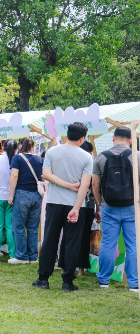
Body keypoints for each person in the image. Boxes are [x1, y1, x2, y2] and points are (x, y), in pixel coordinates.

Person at [33, 122, 92, 292]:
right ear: (82, 138)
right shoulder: (86, 157)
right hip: (75, 204)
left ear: (67, 134)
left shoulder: (52, 151)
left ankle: (43, 279)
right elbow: (84, 185)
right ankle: (68, 281)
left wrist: (65, 185)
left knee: (50, 239)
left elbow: (46, 175)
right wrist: (76, 207)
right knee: (72, 242)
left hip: (54, 202)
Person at [92, 127, 138, 293]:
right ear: (131, 140)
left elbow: (95, 184)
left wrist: (99, 203)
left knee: (108, 243)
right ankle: (134, 283)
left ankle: (104, 280)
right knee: (133, 244)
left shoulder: (101, 157)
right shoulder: (136, 155)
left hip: (108, 207)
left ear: (113, 138)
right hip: (132, 207)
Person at [8, 137, 43, 264]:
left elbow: (14, 175)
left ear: (20, 146)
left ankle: (21, 256)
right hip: (37, 196)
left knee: (19, 226)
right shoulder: (40, 159)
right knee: (33, 227)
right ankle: (33, 256)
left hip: (22, 194)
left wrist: (10, 195)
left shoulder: (17, 158)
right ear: (32, 147)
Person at [68, 141, 96, 276]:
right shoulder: (90, 164)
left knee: (70, 237)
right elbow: (94, 186)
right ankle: (81, 269)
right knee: (85, 237)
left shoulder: (72, 163)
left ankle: (67, 266)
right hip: (88, 204)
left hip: (69, 203)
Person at [0, 139, 17, 262]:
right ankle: (13, 254)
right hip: (13, 198)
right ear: (16, 149)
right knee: (11, 227)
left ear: (2, 146)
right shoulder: (18, 160)